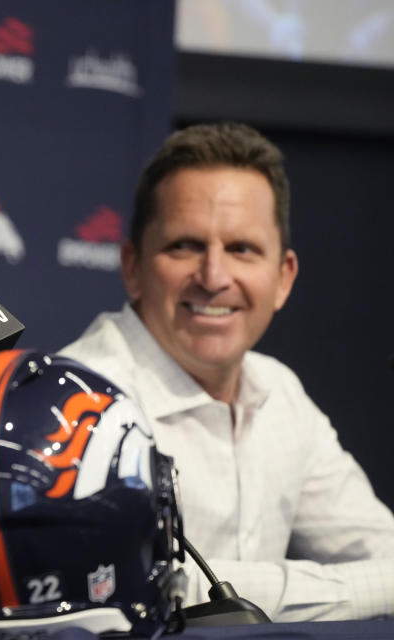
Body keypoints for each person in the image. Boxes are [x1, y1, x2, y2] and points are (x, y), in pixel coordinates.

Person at [58, 122, 394, 622]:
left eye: (242, 249)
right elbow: (130, 587)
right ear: (132, 267)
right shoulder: (79, 402)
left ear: (283, 278)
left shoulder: (278, 389)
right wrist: (345, 593)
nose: (214, 278)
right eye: (185, 246)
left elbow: (380, 546)